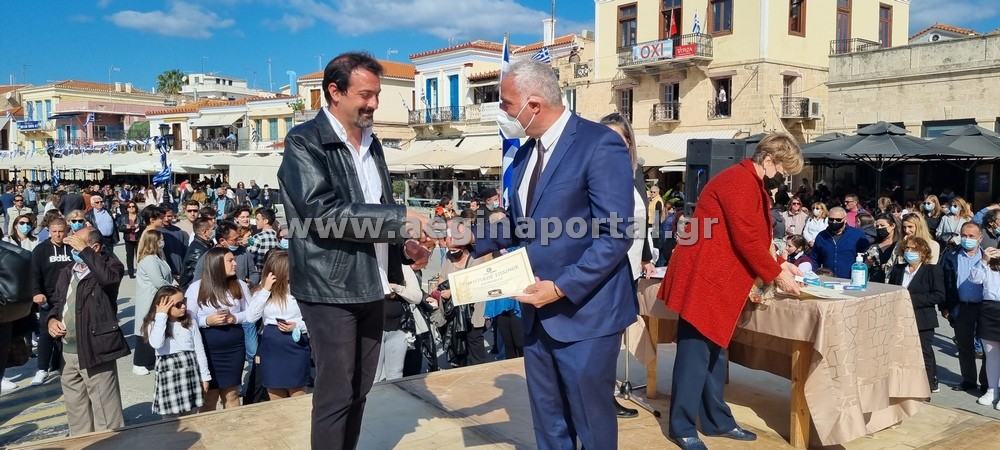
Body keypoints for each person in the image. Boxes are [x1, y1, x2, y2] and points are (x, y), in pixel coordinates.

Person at [469, 60, 637, 450]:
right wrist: (466, 239)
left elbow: (615, 235)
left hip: (586, 316)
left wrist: (560, 288)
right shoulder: (525, 154)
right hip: (537, 314)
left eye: (506, 103)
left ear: (534, 104)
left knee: (591, 425)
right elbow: (523, 224)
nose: (502, 112)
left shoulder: (599, 144)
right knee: (549, 423)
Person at [277, 52, 432, 450]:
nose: (374, 104)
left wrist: (404, 247)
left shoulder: (372, 143)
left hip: (374, 285)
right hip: (330, 287)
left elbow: (376, 209)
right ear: (335, 91)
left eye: (377, 95)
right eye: (366, 95)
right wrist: (401, 218)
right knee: (336, 392)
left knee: (360, 388)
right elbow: (321, 213)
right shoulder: (304, 141)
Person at [657, 133, 804, 450]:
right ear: (769, 160)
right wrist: (776, 274)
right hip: (705, 278)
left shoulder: (748, 181)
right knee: (695, 356)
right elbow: (747, 238)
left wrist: (781, 263)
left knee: (715, 355)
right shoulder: (739, 181)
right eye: (782, 169)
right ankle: (682, 427)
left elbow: (755, 238)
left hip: (716, 278)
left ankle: (716, 421)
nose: (782, 176)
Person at [46, 226, 129, 435]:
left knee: (106, 414)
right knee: (77, 412)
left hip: (94, 349)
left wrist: (85, 251)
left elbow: (108, 280)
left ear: (95, 247)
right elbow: (57, 303)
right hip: (68, 352)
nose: (72, 247)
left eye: (77, 243)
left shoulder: (110, 267)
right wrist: (52, 320)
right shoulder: (68, 271)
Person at [185, 247, 252, 411]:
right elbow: (187, 319)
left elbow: (251, 313)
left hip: (234, 346)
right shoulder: (196, 287)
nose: (235, 263)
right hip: (208, 347)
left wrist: (234, 318)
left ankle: (234, 426)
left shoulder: (240, 285)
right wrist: (207, 320)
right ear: (217, 264)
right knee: (210, 396)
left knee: (232, 394)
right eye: (230, 261)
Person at [246, 250, 312, 398]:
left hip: (296, 344)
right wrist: (265, 290)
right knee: (275, 394)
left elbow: (314, 320)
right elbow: (250, 317)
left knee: (297, 393)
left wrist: (297, 325)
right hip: (272, 348)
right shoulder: (263, 292)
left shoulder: (300, 289)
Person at [142, 285, 211, 418]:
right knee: (170, 418)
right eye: (178, 305)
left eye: (184, 302)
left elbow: (199, 349)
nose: (183, 306)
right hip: (169, 375)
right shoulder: (155, 323)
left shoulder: (189, 321)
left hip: (190, 372)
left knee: (190, 415)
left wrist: (205, 376)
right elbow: (156, 343)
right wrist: (161, 316)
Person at [889, 236, 945, 393]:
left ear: (923, 252)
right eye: (907, 248)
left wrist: (910, 299)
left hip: (923, 318)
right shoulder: (898, 269)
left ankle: (928, 385)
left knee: (923, 353)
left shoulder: (932, 270)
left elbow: (939, 295)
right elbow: (892, 290)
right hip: (900, 318)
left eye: (914, 249)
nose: (909, 251)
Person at [941, 222, 989, 393]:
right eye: (964, 235)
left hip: (984, 308)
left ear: (980, 238)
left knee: (987, 348)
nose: (967, 239)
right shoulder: (951, 256)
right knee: (964, 345)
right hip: (960, 307)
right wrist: (944, 306)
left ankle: (986, 382)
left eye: (971, 236)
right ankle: (968, 380)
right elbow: (943, 282)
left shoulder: (988, 257)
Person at [133, 229, 175, 376]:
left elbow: (167, 276)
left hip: (159, 298)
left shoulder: (158, 257)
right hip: (150, 298)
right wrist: (173, 289)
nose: (162, 242)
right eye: (160, 240)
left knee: (155, 329)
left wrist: (174, 284)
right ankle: (139, 363)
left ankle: (150, 360)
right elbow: (158, 281)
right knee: (146, 329)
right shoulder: (149, 260)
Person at [967, 246, 1000, 407]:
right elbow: (974, 279)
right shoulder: (989, 264)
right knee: (991, 353)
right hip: (989, 309)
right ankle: (992, 390)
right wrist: (984, 260)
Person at [810, 207, 871, 279]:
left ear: (845, 220)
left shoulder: (857, 235)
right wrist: (814, 275)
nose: (834, 222)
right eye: (831, 219)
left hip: (851, 279)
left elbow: (866, 255)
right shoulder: (821, 236)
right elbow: (814, 259)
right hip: (828, 280)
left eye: (838, 220)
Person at [247, 208, 280, 286]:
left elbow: (251, 257)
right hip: (273, 273)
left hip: (260, 274)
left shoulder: (258, 237)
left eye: (258, 219)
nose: (256, 221)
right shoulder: (276, 236)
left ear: (266, 221)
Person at [866, 213, 902, 283]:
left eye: (882, 226)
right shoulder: (873, 246)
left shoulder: (899, 245)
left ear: (892, 226)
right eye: (877, 226)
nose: (879, 228)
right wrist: (867, 262)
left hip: (892, 282)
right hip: (874, 282)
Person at [181, 217, 215, 288]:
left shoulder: (207, 245)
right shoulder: (197, 251)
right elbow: (196, 276)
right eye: (213, 229)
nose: (215, 231)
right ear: (204, 232)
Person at [117, 201, 145, 278]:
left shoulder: (140, 216)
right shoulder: (123, 217)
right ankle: (131, 272)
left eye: (133, 206)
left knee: (140, 256)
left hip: (138, 238)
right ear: (127, 208)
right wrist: (126, 227)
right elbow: (120, 228)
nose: (131, 208)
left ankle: (142, 271)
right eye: (129, 207)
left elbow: (145, 226)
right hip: (128, 239)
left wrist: (139, 226)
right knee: (129, 256)